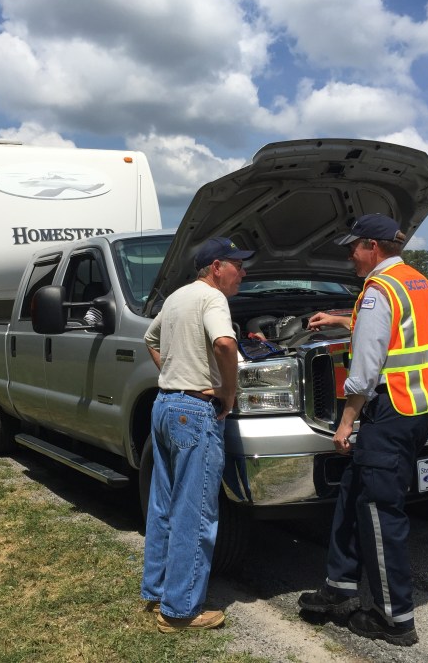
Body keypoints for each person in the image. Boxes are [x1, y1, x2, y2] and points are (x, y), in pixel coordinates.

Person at [298, 214, 428, 646]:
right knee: (353, 492)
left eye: (354, 246)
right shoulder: (413, 280)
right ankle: (339, 588)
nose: (350, 253)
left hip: (390, 413)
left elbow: (365, 370)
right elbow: (394, 333)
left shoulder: (377, 291)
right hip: (421, 407)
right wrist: (338, 319)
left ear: (373, 246)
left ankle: (395, 619)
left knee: (380, 512)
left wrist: (346, 423)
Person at [141, 236, 254, 633]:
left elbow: (150, 338)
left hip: (165, 406)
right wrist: (228, 390)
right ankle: (180, 611)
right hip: (195, 412)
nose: (243, 271)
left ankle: (156, 591)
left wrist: (172, 370)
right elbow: (225, 343)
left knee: (163, 505)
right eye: (237, 264)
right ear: (215, 267)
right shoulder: (213, 299)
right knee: (196, 512)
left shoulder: (176, 297)